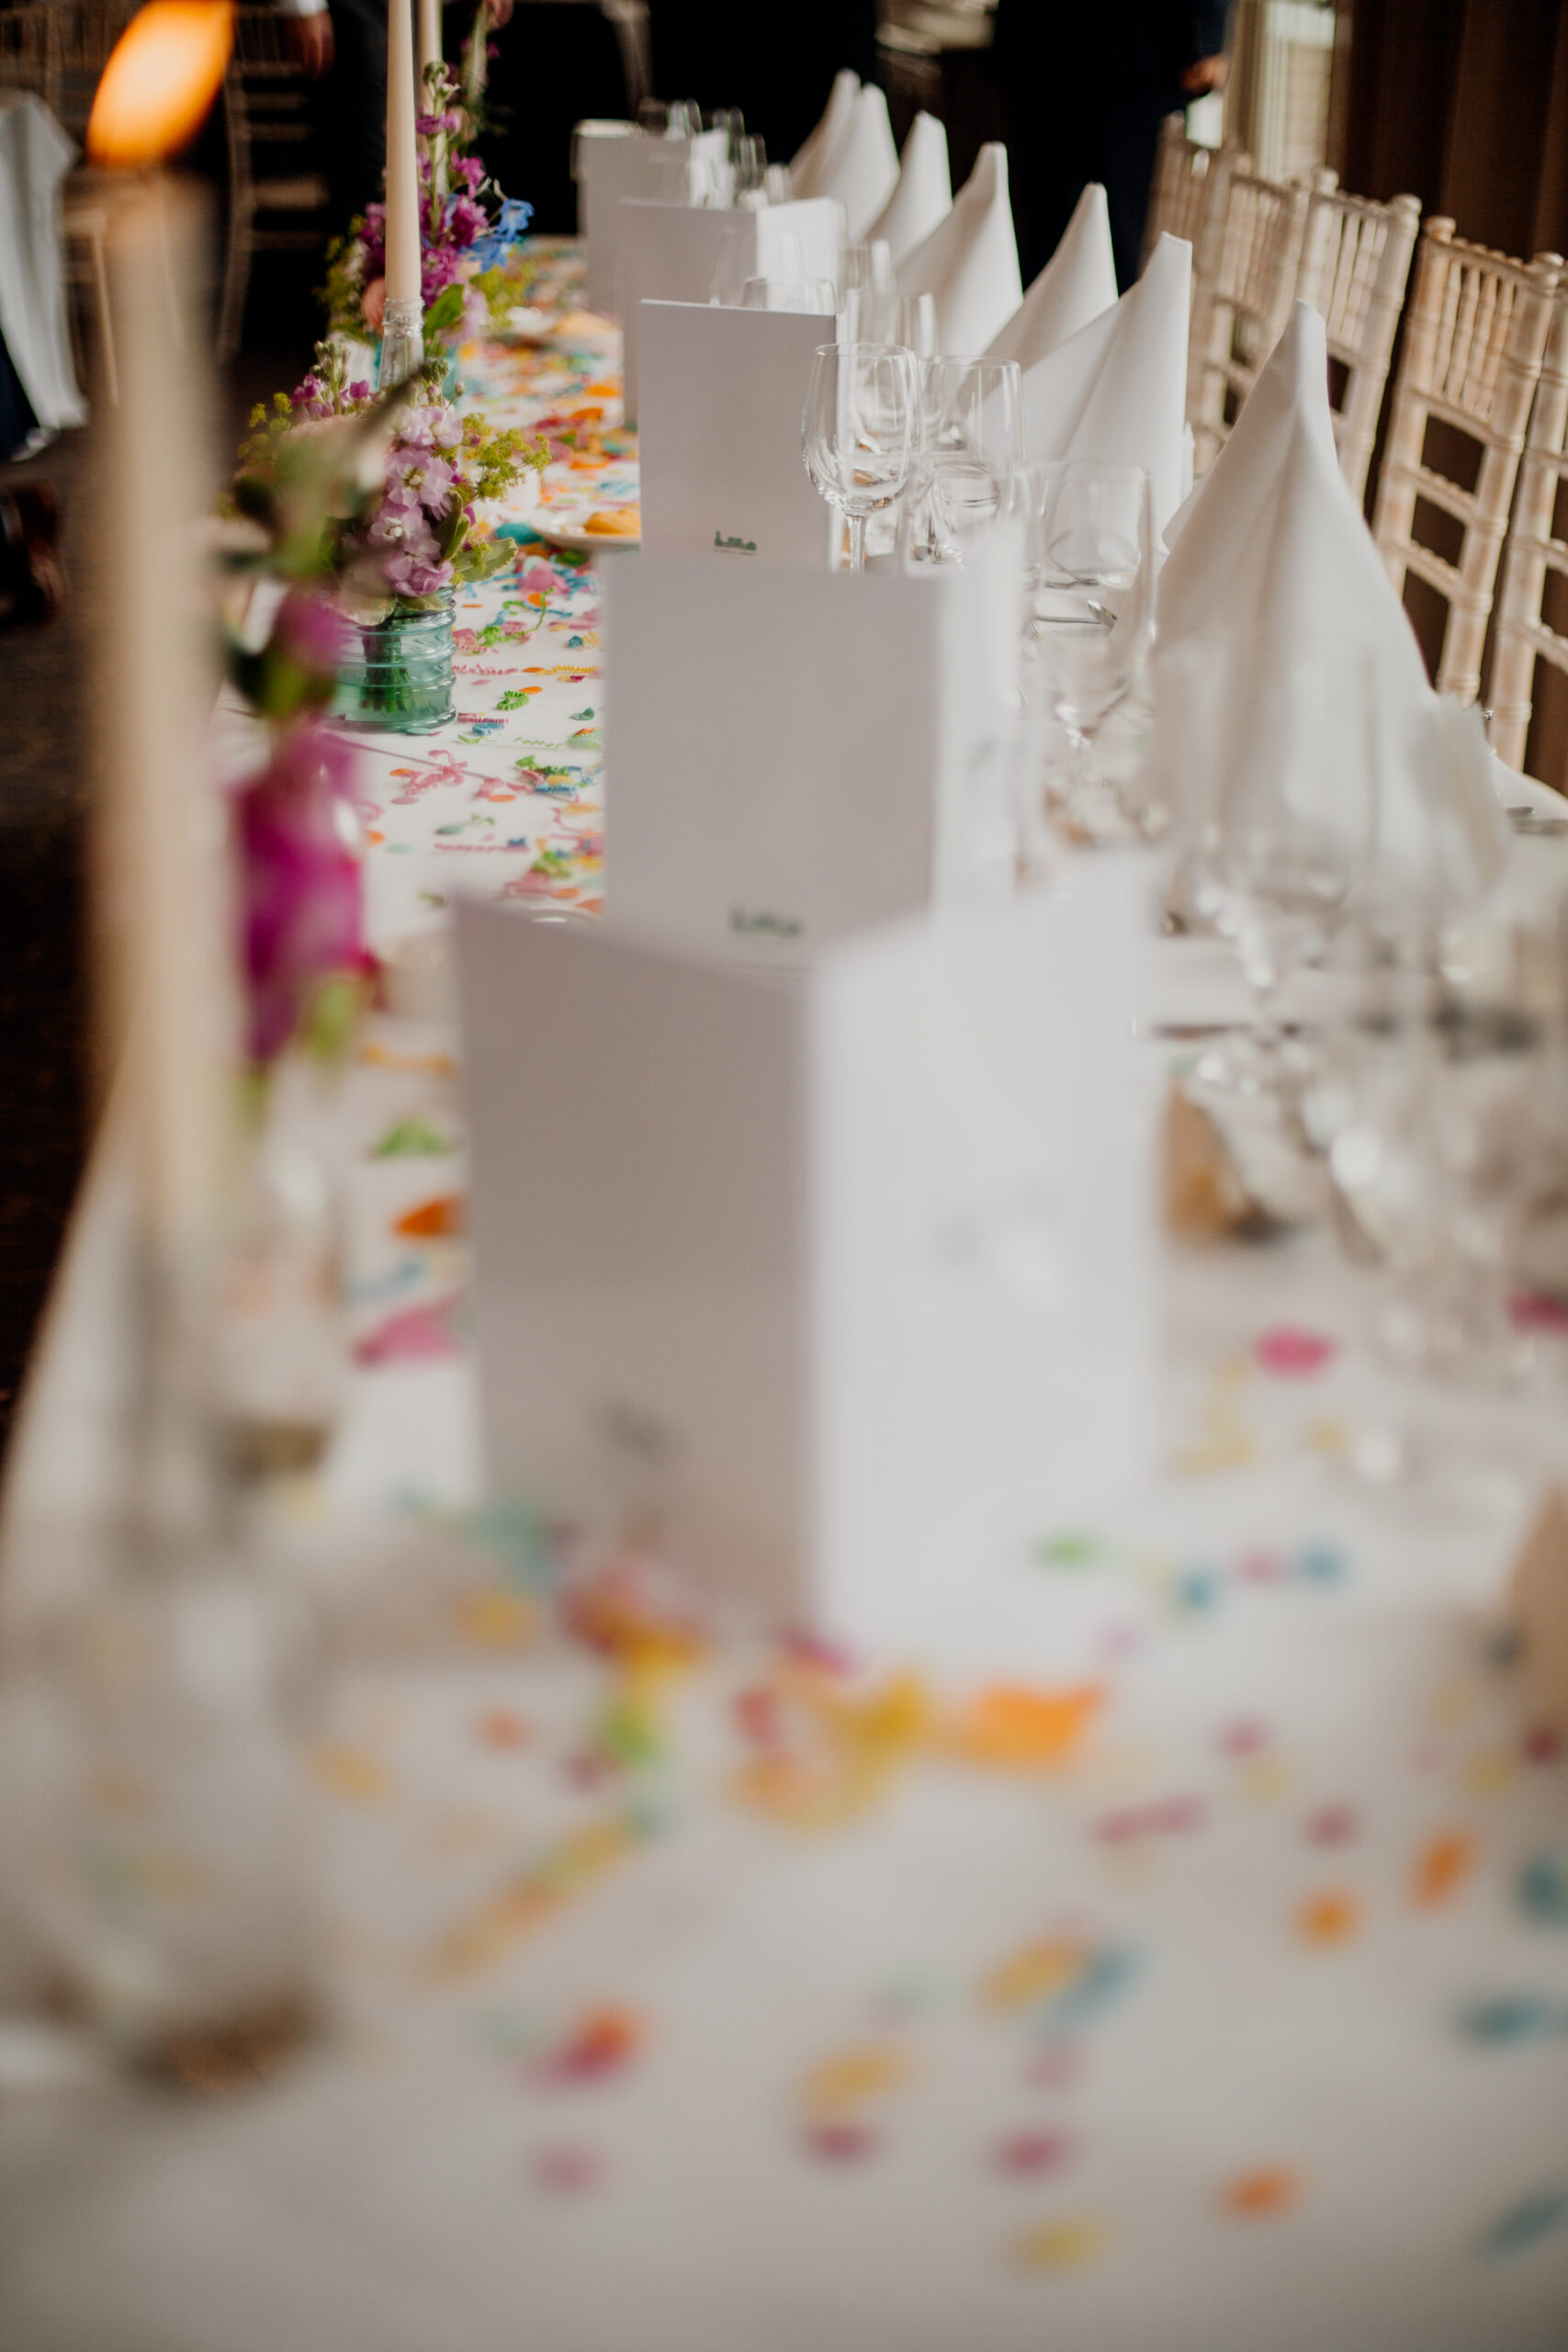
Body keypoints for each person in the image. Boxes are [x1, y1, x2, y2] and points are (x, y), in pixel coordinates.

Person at [994, 0, 1230, 292]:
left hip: (1048, 44)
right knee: (1109, 238)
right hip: (1125, 56)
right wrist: (1208, 36)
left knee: (1056, 235)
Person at [276, 0, 515, 233]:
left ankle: (431, 264)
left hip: (428, 10)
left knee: (435, 160)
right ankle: (368, 264)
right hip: (356, 12)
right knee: (373, 174)